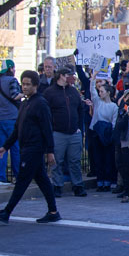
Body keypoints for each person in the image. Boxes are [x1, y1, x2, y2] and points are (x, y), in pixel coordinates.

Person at [0, 71, 61, 224]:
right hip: (26, 147)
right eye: (23, 84)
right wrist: (5, 146)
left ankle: (7, 212)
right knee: (42, 180)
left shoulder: (40, 103)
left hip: (34, 149)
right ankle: (53, 211)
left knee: (22, 181)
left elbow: (47, 129)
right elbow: (17, 129)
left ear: (35, 85)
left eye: (28, 84)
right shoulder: (24, 103)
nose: (25, 87)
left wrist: (50, 151)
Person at [43, 66, 87, 197]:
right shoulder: (49, 93)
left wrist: (79, 127)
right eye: (69, 75)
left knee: (75, 161)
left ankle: (77, 185)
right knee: (57, 161)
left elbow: (80, 109)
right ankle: (57, 185)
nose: (72, 77)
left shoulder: (73, 91)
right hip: (57, 133)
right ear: (62, 76)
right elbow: (46, 113)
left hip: (74, 132)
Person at [0, 59, 23, 185]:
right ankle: (18, 175)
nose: (14, 71)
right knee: (15, 148)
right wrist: (24, 94)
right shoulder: (12, 81)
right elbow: (14, 96)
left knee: (2, 148)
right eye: (14, 68)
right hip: (11, 118)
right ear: (10, 69)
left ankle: (0, 176)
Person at [88, 73, 118, 192]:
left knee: (107, 158)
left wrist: (111, 135)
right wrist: (93, 77)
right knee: (98, 158)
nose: (100, 93)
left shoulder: (113, 106)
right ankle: (100, 181)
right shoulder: (97, 102)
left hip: (107, 134)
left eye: (102, 91)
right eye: (99, 91)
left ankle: (108, 181)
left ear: (108, 93)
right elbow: (92, 91)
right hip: (96, 132)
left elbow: (114, 122)